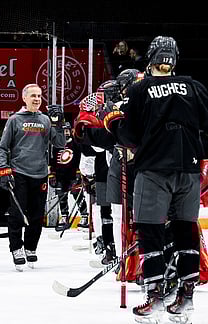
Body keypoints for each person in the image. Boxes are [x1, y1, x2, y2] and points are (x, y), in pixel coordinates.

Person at [104, 36, 208, 323]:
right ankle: (186, 299)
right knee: (186, 231)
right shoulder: (195, 87)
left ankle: (155, 298)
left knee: (150, 233)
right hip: (189, 170)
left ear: (150, 58)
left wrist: (112, 121)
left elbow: (129, 136)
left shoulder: (141, 89)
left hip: (153, 170)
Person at [0, 84, 65, 271]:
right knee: (17, 213)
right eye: (33, 95)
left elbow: (60, 143)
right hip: (19, 172)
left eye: (40, 96)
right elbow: (3, 147)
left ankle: (31, 248)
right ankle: (16, 248)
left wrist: (59, 124)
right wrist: (3, 168)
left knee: (36, 215)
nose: (37, 99)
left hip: (40, 174)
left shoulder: (45, 120)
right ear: (24, 98)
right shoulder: (14, 120)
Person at [49, 122, 89, 231]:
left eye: (67, 130)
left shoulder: (75, 143)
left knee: (77, 194)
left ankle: (84, 217)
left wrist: (78, 171)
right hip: (60, 175)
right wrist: (52, 173)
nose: (65, 133)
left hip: (73, 174)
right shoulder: (57, 144)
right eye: (63, 131)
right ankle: (64, 216)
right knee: (61, 195)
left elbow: (79, 158)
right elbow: (53, 160)